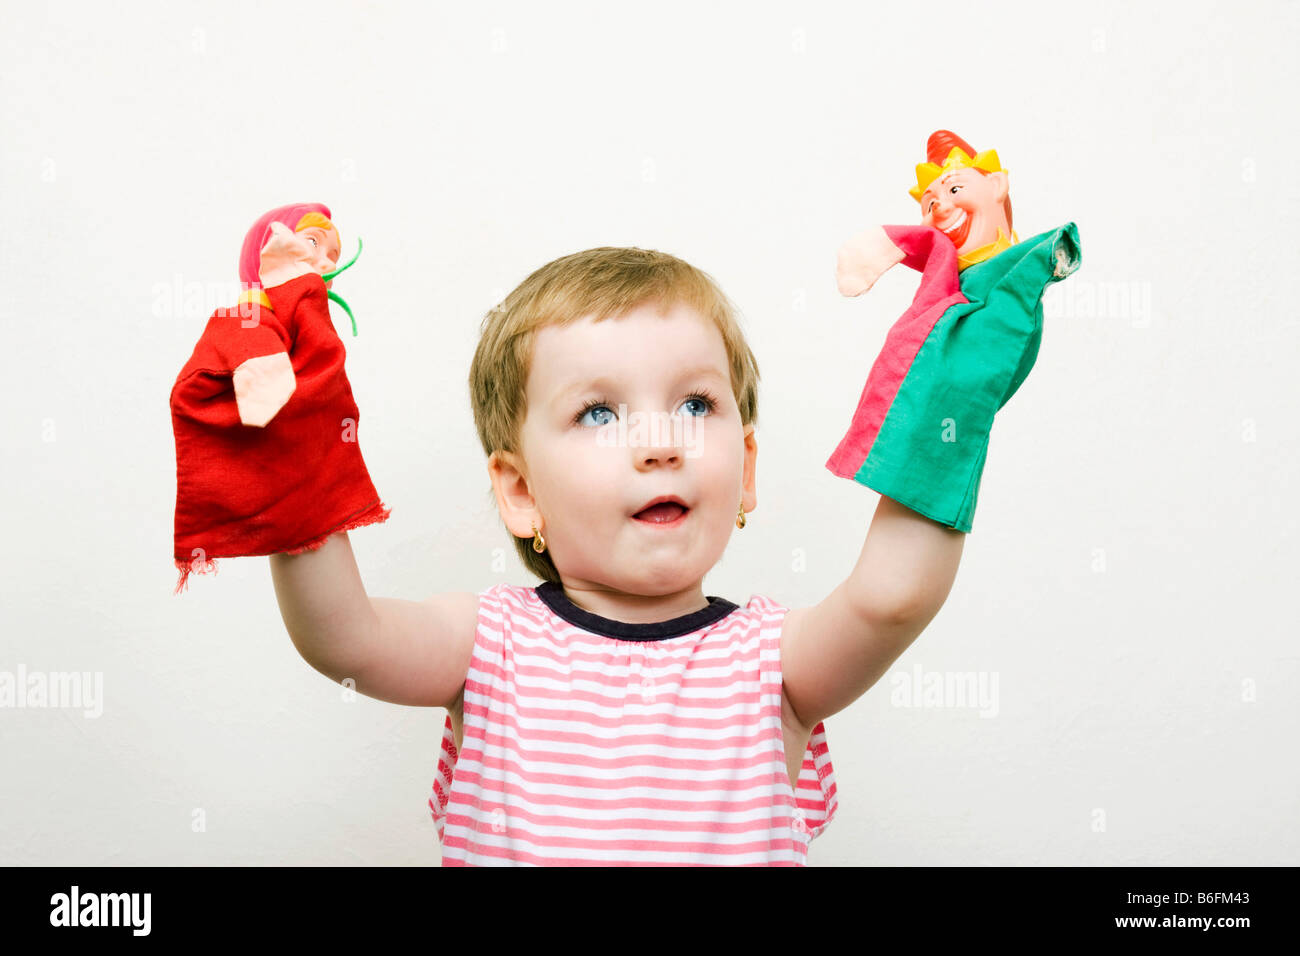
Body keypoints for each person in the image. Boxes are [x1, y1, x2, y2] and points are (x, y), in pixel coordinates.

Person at [270, 236, 970, 865]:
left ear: (746, 469)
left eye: (696, 406)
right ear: (521, 493)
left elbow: (891, 597)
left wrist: (957, 394)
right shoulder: (487, 645)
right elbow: (345, 637)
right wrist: (292, 436)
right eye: (599, 415)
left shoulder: (776, 663)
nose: (662, 445)